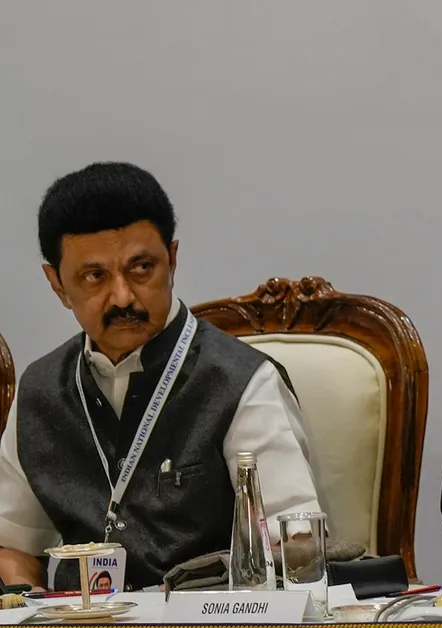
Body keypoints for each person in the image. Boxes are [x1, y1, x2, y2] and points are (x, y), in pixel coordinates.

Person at [0, 162, 322, 591]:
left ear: (172, 260)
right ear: (57, 284)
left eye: (141, 268)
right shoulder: (40, 391)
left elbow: (296, 546)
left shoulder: (242, 383)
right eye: (94, 276)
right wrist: (32, 607)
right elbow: (13, 547)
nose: (122, 296)